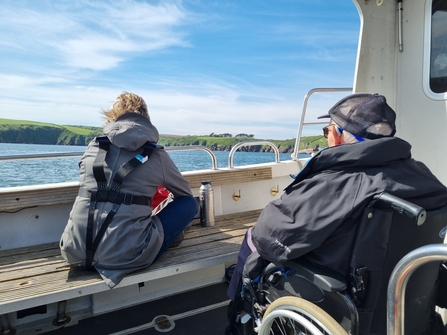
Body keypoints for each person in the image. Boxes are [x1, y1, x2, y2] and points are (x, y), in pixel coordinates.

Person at [225, 93, 447, 334]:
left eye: (327, 130)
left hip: (343, 306)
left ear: (339, 134)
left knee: (252, 239)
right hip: (402, 311)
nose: (326, 136)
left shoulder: (337, 183)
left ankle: (240, 316)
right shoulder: (424, 176)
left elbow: (270, 237)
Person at [60, 92, 197, 288]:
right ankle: (166, 239)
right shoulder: (155, 154)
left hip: (73, 249)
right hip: (128, 256)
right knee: (189, 204)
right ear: (146, 119)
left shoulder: (94, 147)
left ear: (112, 117)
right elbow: (184, 194)